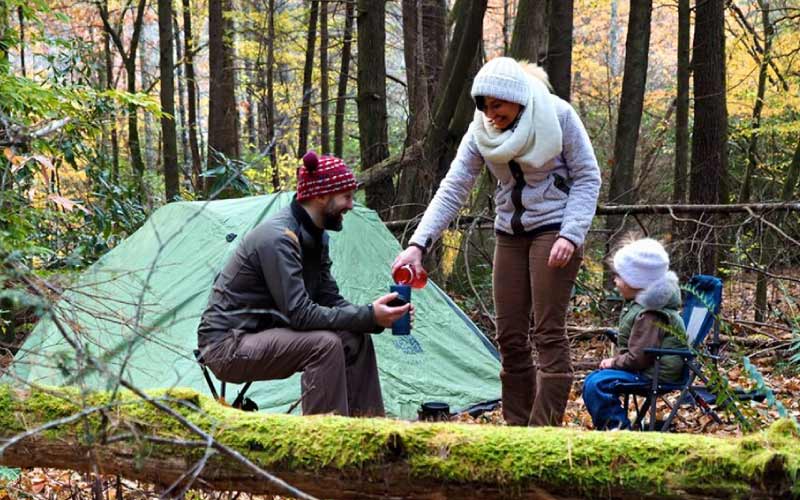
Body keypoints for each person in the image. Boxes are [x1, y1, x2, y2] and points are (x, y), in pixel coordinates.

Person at [393, 57, 601, 426]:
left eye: (497, 105)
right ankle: (516, 430)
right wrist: (418, 243)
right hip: (509, 232)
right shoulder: (480, 132)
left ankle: (542, 435)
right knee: (509, 336)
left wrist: (571, 233)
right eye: (485, 106)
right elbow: (454, 188)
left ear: (517, 98)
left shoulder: (558, 115)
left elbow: (587, 176)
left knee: (548, 333)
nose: (491, 114)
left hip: (555, 227)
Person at [197, 151, 412, 417]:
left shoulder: (316, 237)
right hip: (226, 345)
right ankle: (325, 444)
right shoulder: (279, 238)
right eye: (346, 196)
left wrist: (376, 315)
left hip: (260, 334)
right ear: (322, 196)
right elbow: (299, 314)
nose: (351, 205)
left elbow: (329, 298)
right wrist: (368, 315)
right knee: (324, 344)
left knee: (355, 338)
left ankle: (370, 434)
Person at [582, 237, 687, 430]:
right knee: (593, 380)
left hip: (653, 374)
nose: (615, 281)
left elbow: (640, 357)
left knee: (597, 385)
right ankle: (614, 426)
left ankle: (617, 429)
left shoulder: (651, 313)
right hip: (648, 370)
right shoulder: (643, 306)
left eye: (620, 276)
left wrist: (613, 362)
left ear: (637, 281)